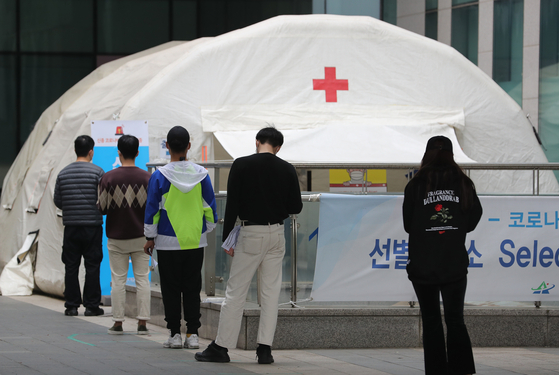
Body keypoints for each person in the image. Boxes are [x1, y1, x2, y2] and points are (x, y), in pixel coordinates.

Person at [195, 126, 303, 364]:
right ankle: (265, 349)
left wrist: (227, 239)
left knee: (236, 291)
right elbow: (296, 207)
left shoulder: (241, 165)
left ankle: (221, 346)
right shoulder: (287, 168)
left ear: (257, 142)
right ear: (278, 147)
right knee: (270, 293)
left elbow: (231, 204)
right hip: (276, 234)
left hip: (250, 232)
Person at [402, 135, 482, 375]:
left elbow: (408, 224)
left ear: (426, 155)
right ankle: (462, 369)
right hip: (454, 262)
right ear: (451, 155)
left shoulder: (415, 185)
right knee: (456, 319)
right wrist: (455, 229)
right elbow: (473, 219)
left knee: (431, 320)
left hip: (422, 264)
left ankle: (436, 370)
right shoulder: (464, 183)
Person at [144, 126, 217, 349]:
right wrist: (204, 229)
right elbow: (211, 210)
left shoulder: (159, 176)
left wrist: (149, 237)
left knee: (171, 288)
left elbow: (152, 210)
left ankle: (174, 334)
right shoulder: (201, 174)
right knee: (192, 288)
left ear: (167, 146)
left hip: (166, 242)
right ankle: (193, 334)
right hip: (195, 240)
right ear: (188, 146)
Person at [97, 135, 151, 335]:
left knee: (118, 279)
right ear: (138, 153)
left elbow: (102, 207)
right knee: (142, 279)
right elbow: (154, 208)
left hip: (117, 237)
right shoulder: (148, 178)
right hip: (142, 237)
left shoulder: (108, 178)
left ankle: (118, 322)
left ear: (118, 153)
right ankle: (143, 322)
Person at [54, 135, 105, 317]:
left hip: (71, 227)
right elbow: (104, 200)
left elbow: (58, 201)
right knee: (92, 265)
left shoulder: (63, 173)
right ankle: (91, 306)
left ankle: (71, 306)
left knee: (71, 266)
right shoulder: (98, 172)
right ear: (91, 151)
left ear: (75, 150)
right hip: (92, 227)